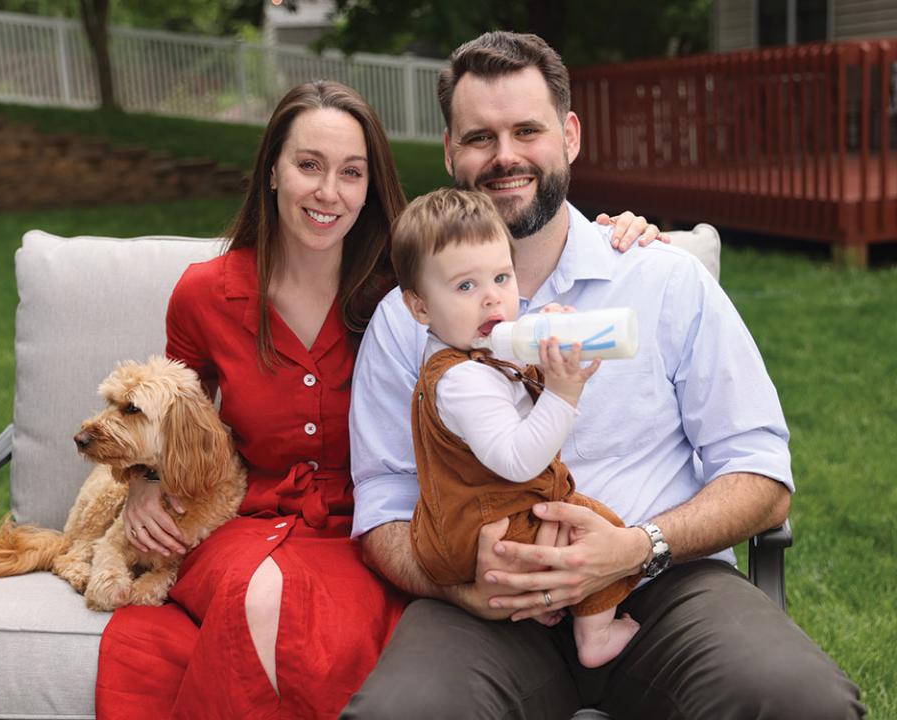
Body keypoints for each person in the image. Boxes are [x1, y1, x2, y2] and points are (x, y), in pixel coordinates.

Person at [93, 79, 656, 718]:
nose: (329, 192)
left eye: (351, 173)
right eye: (309, 166)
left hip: (361, 531)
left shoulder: (404, 293)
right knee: (258, 598)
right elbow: (161, 409)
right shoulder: (205, 293)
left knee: (327, 631)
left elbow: (488, 255)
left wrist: (613, 229)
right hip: (246, 520)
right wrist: (143, 482)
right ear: (272, 171)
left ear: (369, 187)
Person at [344, 32, 865, 719]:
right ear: (450, 151)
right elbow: (383, 501)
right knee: (400, 713)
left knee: (802, 700)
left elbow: (760, 475)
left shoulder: (660, 278)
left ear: (569, 136)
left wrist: (638, 547)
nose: (504, 156)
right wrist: (460, 589)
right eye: (479, 137)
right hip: (488, 606)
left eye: (527, 131)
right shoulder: (405, 320)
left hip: (663, 585)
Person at [393, 187, 641, 669]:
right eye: (466, 286)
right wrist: (563, 392)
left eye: (502, 277)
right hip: (487, 529)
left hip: (469, 523)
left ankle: (538, 605)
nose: (492, 297)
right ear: (420, 308)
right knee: (596, 525)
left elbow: (510, 388)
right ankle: (596, 633)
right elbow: (518, 459)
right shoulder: (462, 380)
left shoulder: (469, 350)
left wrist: (542, 347)